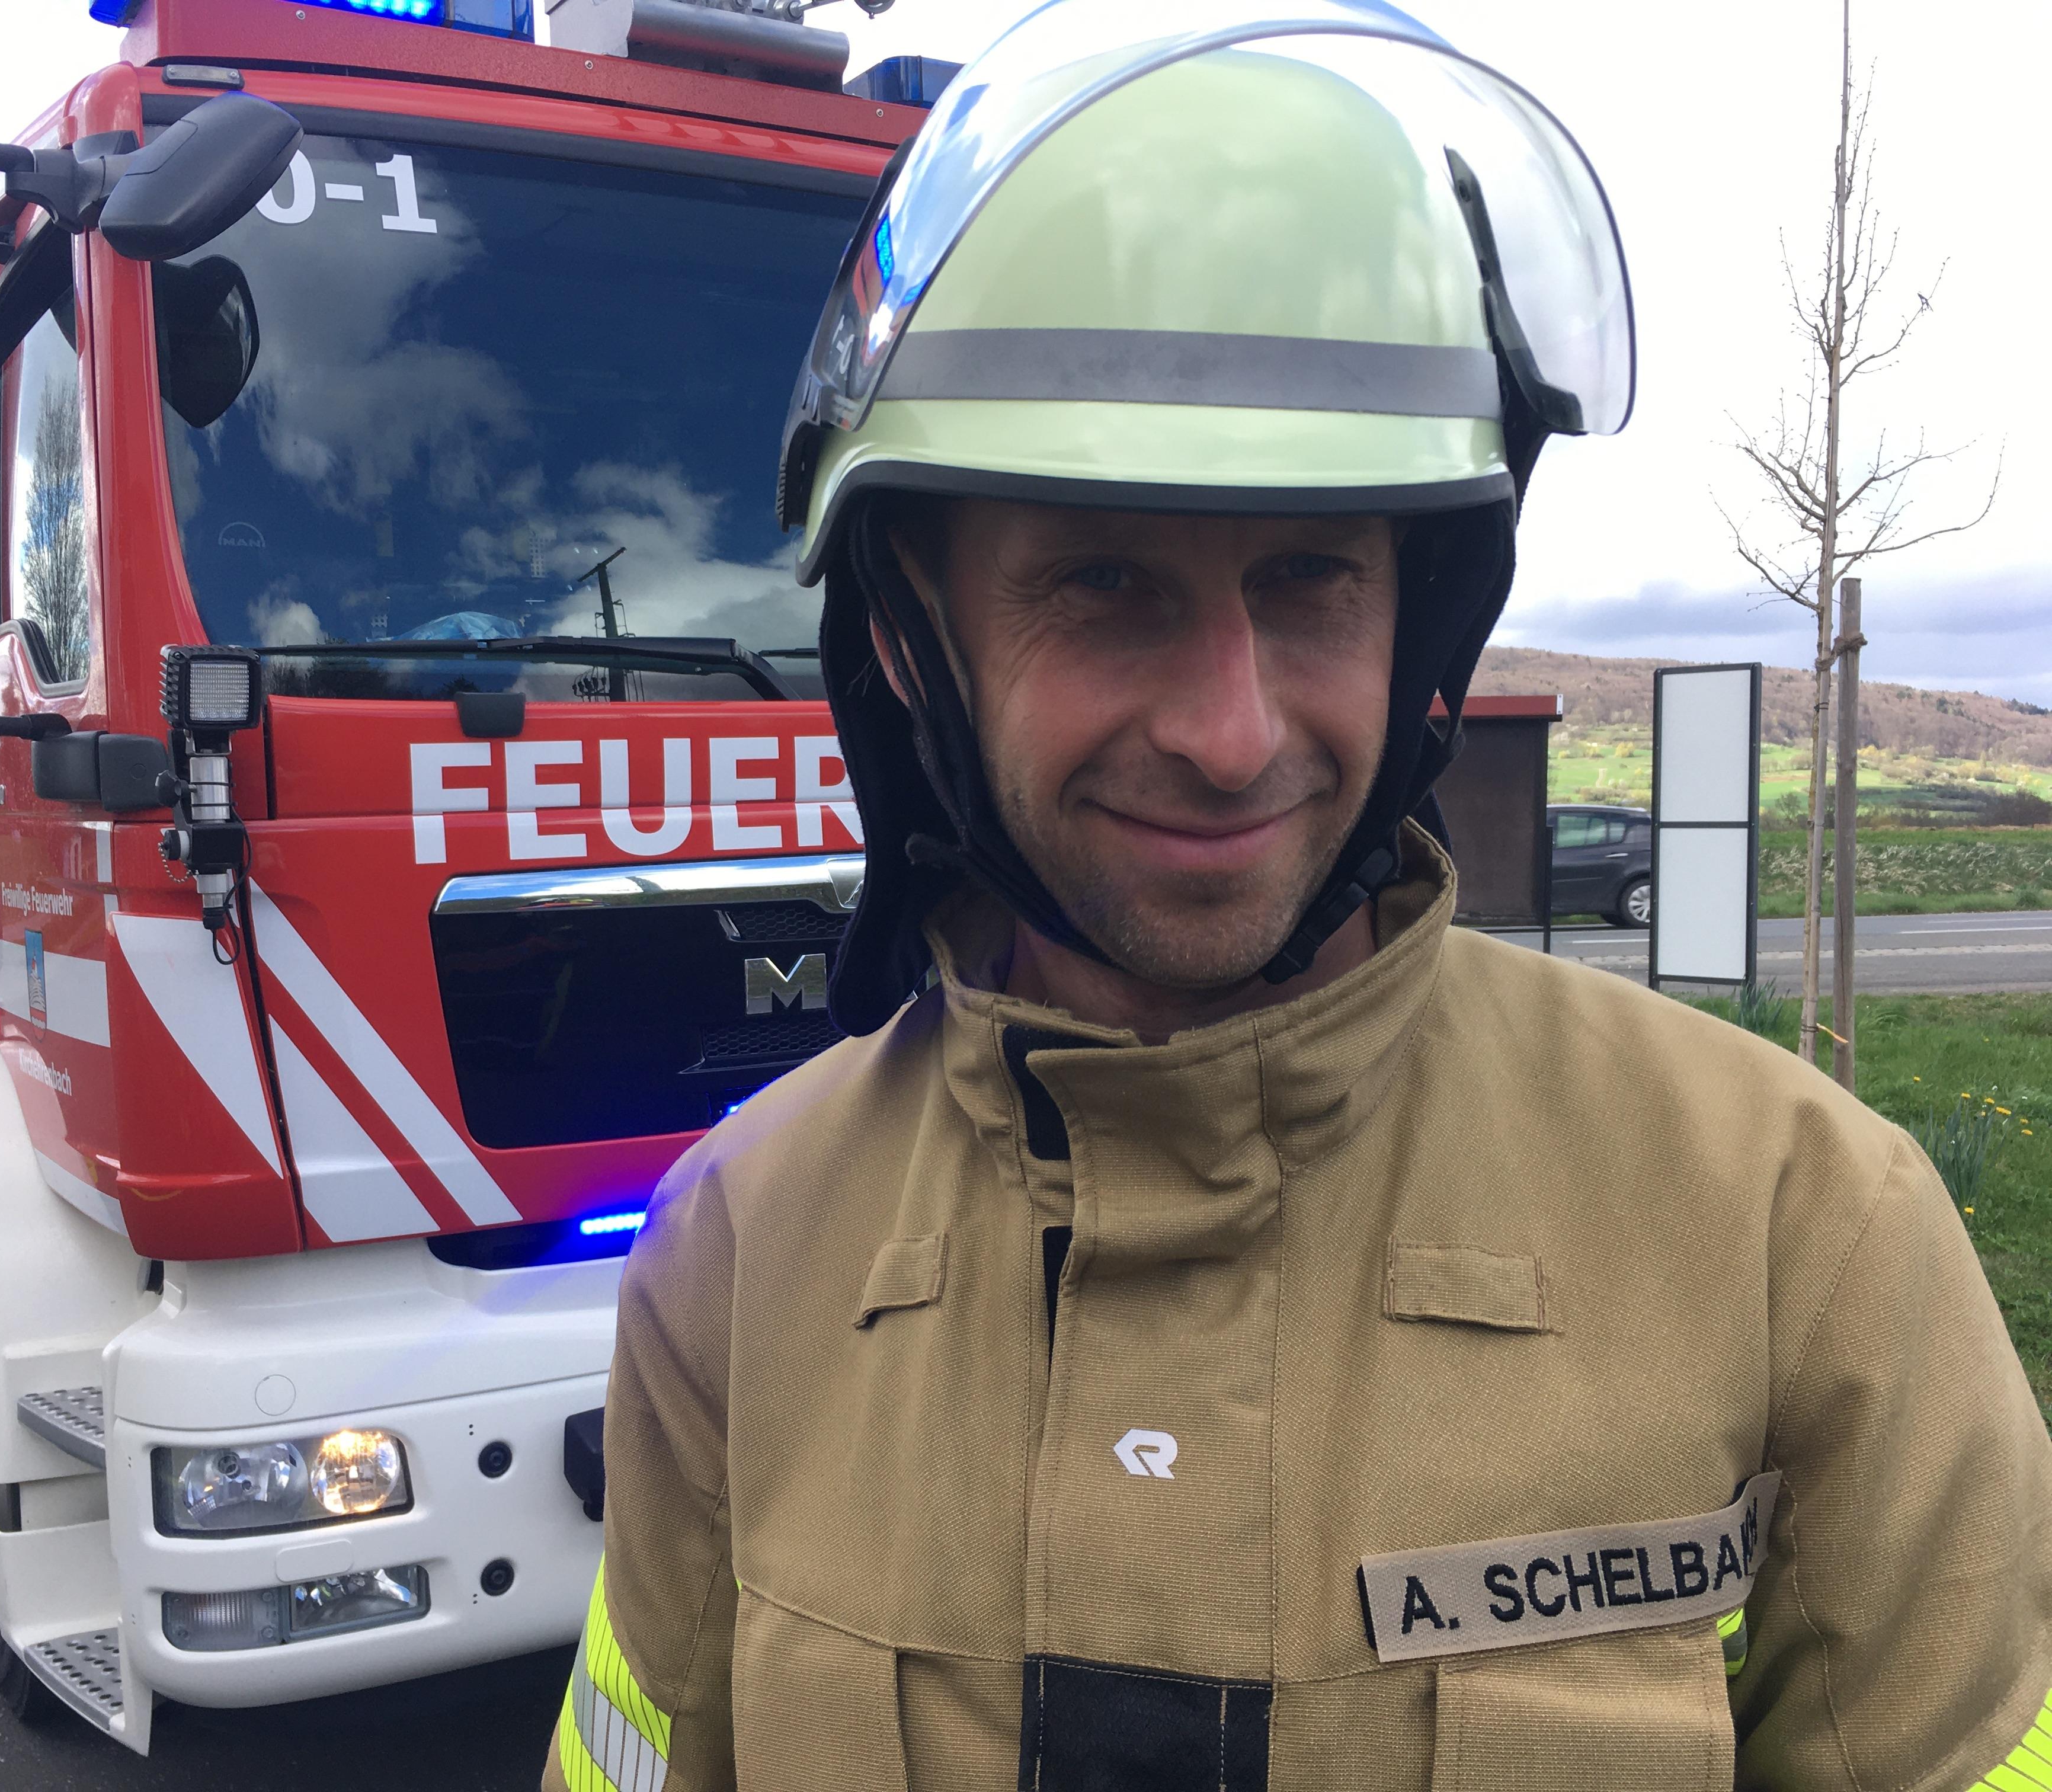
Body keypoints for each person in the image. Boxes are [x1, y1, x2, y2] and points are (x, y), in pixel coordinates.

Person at [545, 7, 2052, 1790]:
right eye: (1103, 583)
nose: (1231, 730)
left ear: (1422, 614)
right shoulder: (737, 1260)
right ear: (909, 634)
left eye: (1314, 577)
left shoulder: (1803, 1237)